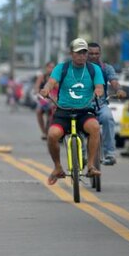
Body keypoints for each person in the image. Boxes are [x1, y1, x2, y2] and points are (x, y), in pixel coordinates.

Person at [39, 38, 104, 185]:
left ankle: (91, 165)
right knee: (52, 135)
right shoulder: (61, 68)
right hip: (63, 111)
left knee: (95, 128)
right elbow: (51, 83)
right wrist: (46, 90)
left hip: (84, 111)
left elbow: (99, 86)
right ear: (71, 54)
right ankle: (57, 167)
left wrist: (98, 91)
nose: (82, 56)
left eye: (84, 52)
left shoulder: (94, 69)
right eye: (78, 53)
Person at [87, 43, 127, 165]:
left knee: (108, 118)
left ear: (100, 54)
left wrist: (119, 90)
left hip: (101, 104)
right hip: (83, 105)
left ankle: (109, 153)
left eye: (96, 53)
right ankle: (81, 154)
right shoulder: (80, 68)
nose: (94, 56)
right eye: (91, 53)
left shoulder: (106, 68)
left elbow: (114, 82)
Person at [34, 61, 56, 139]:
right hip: (43, 99)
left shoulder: (56, 77)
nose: (51, 69)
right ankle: (43, 131)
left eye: (53, 67)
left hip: (54, 100)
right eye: (49, 67)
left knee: (53, 113)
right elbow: (36, 88)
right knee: (38, 111)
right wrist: (39, 94)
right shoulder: (42, 77)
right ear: (46, 68)